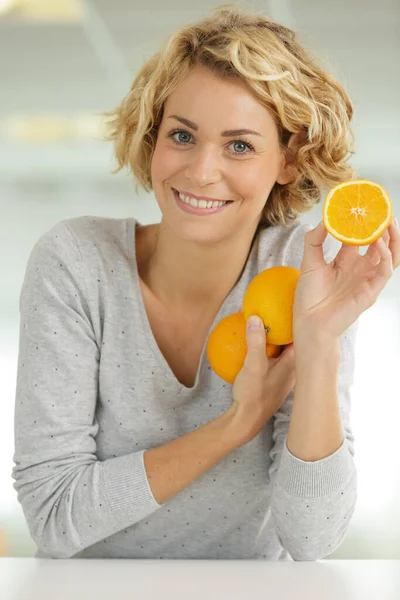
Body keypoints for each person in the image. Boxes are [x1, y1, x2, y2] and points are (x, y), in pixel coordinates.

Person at [12, 5, 399, 561]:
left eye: (239, 145)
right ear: (153, 137)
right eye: (182, 135)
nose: (200, 171)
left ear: (289, 160)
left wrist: (318, 347)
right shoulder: (78, 264)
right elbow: (52, 515)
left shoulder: (301, 268)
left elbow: (312, 538)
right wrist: (237, 423)